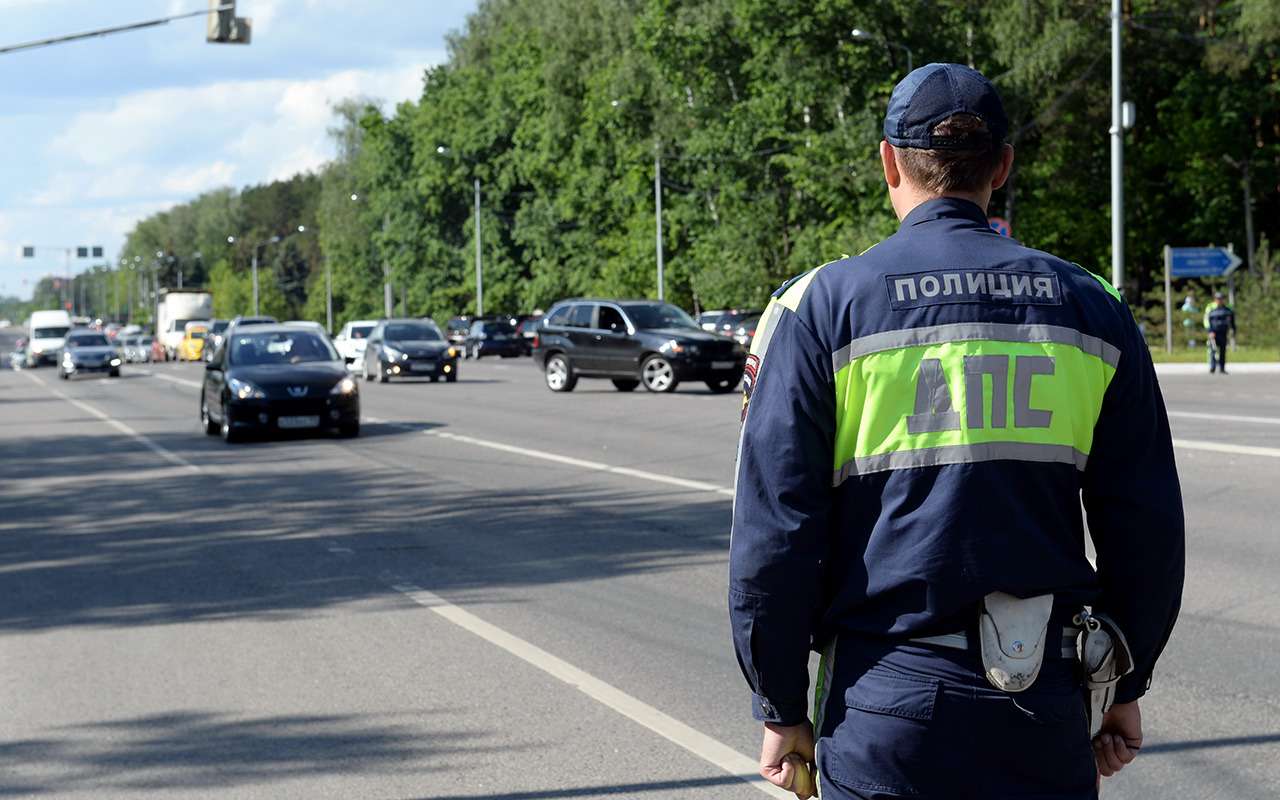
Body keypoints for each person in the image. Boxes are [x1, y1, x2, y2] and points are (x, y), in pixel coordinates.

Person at [729, 63, 1185, 800]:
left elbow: (776, 532)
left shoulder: (821, 308)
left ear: (887, 161)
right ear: (1001, 167)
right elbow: (1148, 525)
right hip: (1044, 703)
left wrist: (779, 703)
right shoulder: (1092, 307)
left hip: (884, 704)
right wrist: (1125, 680)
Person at [1203, 291, 1236, 374]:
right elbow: (1206, 320)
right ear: (1215, 299)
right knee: (1213, 350)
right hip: (1213, 333)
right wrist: (1210, 331)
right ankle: (1212, 367)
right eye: (1218, 298)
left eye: (1221, 298)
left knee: (1222, 351)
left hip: (1223, 332)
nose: (1219, 300)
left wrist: (1233, 330)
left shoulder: (1227, 309)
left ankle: (1222, 368)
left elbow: (1232, 320)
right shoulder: (1210, 307)